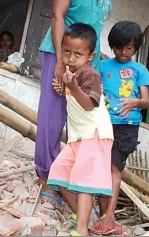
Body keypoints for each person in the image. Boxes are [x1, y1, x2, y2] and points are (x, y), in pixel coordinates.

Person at [34, 0, 134, 208]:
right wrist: (58, 61)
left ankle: (68, 179)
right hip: (61, 54)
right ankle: (45, 177)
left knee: (83, 125)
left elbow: (96, 26)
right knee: (52, 118)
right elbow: (58, 16)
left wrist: (96, 65)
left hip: (89, 65)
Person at [47, 23, 114, 237]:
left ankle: (82, 229)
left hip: (94, 135)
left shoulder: (90, 75)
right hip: (78, 138)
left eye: (78, 54)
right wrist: (64, 87)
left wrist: (72, 87)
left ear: (90, 56)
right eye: (67, 51)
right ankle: (86, 216)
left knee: (84, 183)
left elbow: (88, 104)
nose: (71, 58)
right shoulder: (71, 72)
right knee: (58, 173)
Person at [91, 21, 149, 235]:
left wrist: (134, 102)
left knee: (113, 168)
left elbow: (146, 101)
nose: (124, 52)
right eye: (118, 48)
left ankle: (110, 215)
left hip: (126, 127)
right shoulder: (104, 64)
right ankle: (104, 216)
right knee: (102, 168)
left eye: (129, 47)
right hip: (103, 122)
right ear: (112, 46)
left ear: (136, 47)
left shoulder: (139, 69)